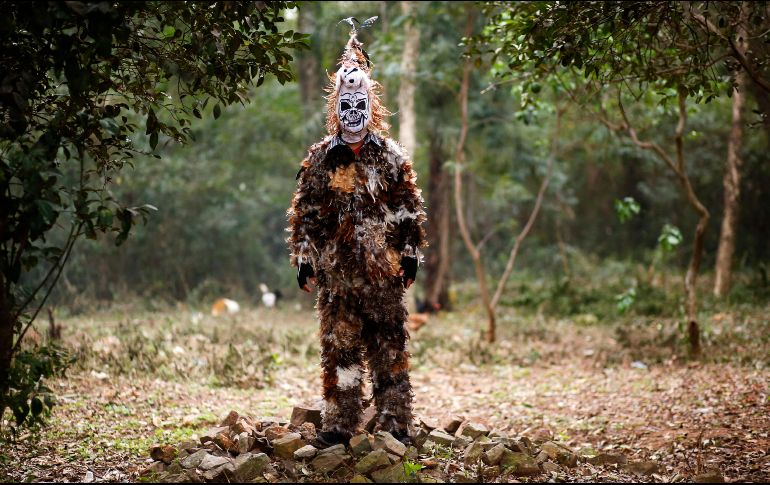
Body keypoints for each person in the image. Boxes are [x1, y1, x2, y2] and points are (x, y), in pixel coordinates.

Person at [286, 22, 427, 447]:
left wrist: (410, 254)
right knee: (340, 350)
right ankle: (339, 426)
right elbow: (307, 212)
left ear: (371, 104)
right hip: (338, 276)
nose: (353, 111)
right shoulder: (320, 158)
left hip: (383, 274)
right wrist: (304, 260)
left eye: (359, 103)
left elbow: (407, 208)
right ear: (336, 107)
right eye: (346, 103)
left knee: (389, 350)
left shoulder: (391, 156)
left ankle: (395, 425)